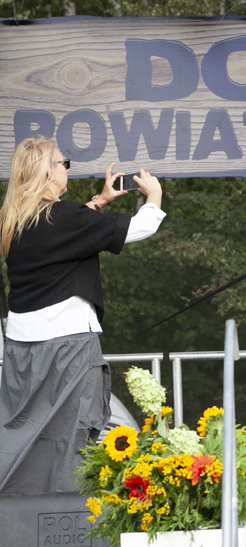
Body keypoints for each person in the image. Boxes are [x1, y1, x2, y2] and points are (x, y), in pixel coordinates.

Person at [0, 136, 166, 494]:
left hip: (21, 351)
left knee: (23, 438)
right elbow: (141, 227)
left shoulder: (14, 219)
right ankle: (69, 517)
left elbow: (65, 233)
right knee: (73, 437)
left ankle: (15, 516)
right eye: (64, 163)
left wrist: (99, 201)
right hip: (68, 349)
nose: (67, 169)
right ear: (48, 171)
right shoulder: (62, 218)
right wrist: (154, 196)